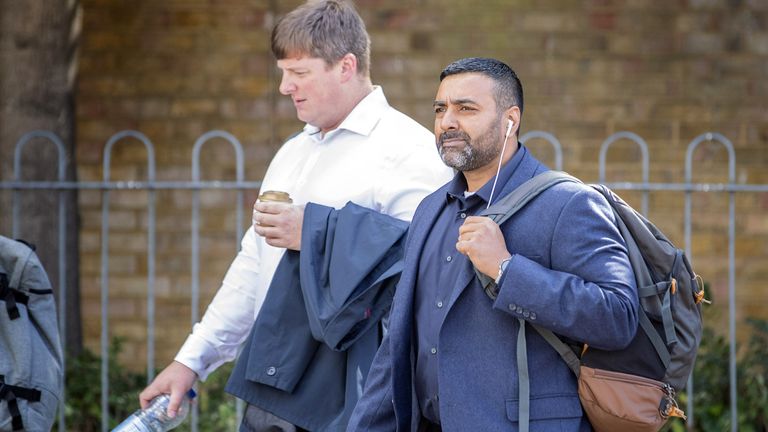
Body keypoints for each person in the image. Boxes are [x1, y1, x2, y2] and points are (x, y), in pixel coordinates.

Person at [139, 1, 452, 430]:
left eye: (300, 73)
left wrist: (317, 233)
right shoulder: (293, 153)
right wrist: (190, 362)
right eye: (283, 72)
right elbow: (254, 269)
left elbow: (432, 269)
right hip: (279, 380)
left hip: (356, 396)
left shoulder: (409, 152)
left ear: (346, 66)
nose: (285, 87)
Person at [347, 57, 639, 431]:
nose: (447, 121)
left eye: (466, 108)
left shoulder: (567, 203)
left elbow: (617, 318)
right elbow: (399, 345)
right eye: (441, 109)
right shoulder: (430, 209)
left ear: (510, 121)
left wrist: (506, 269)